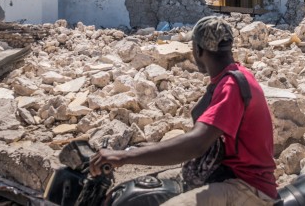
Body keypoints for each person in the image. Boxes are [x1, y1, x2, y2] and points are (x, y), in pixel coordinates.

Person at [89, 16, 278, 205]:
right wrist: (129, 151)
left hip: (248, 187)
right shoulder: (232, 76)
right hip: (228, 175)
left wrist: (125, 157)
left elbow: (197, 144)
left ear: (197, 49)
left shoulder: (230, 86)